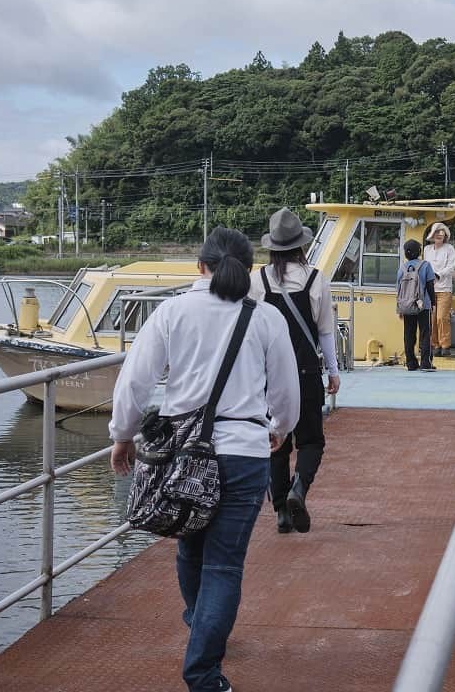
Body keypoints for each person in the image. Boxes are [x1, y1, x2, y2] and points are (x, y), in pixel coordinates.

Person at [109, 226, 300, 692]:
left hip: (180, 454)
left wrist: (123, 435)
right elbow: (286, 391)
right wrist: (278, 429)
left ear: (200, 265)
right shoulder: (265, 318)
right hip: (244, 454)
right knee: (224, 565)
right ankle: (204, 669)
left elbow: (136, 382)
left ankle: (201, 623)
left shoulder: (172, 311)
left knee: (188, 545)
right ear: (248, 268)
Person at [249, 207, 342, 535]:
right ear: (301, 245)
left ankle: (280, 514)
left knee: (275, 441)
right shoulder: (316, 278)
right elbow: (326, 331)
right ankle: (298, 489)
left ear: (272, 246)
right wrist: (332, 372)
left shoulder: (257, 281)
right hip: (305, 372)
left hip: (266, 376)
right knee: (311, 440)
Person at [397, 238, 437, 371]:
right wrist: (433, 303)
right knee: (425, 333)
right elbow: (430, 286)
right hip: (423, 305)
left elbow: (399, 289)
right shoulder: (425, 265)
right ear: (419, 252)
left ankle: (411, 363)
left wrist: (400, 308)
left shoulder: (402, 268)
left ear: (406, 254)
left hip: (407, 305)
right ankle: (426, 363)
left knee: (408, 334)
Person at [423, 221, 455, 357]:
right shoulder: (427, 249)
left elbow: (451, 267)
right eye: (437, 231)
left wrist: (439, 274)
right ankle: (435, 344)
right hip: (430, 288)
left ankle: (445, 345)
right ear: (432, 234)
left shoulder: (449, 248)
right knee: (432, 318)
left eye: (442, 232)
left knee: (442, 317)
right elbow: (425, 266)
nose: (440, 234)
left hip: (445, 288)